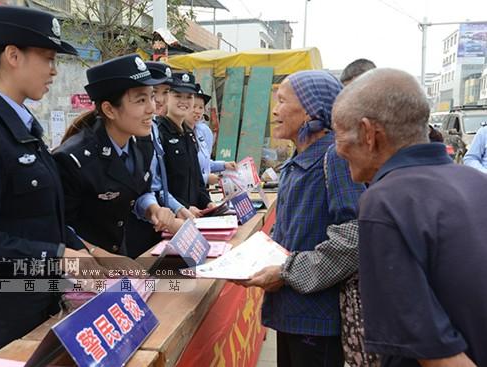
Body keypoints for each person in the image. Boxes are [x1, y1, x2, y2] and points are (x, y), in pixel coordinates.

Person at [0, 5, 103, 356]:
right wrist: (57, 258)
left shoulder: (22, 128)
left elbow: (40, 215)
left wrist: (84, 251)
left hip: (44, 307)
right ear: (13, 55)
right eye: (47, 58)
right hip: (9, 321)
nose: (54, 70)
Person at [332, 68, 487, 366]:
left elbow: (435, 354)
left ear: (368, 133)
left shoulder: (384, 203)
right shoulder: (474, 181)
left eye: (338, 133)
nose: (337, 151)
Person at [237, 71, 365, 367]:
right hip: (293, 310)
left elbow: (355, 235)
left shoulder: (335, 155)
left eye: (282, 101)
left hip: (317, 317)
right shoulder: (300, 157)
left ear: (311, 108)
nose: (274, 110)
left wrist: (286, 272)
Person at [54, 54, 179, 259]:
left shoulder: (141, 143)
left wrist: (152, 209)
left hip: (118, 261)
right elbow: (57, 228)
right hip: (79, 272)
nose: (152, 108)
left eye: (151, 97)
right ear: (109, 110)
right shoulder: (73, 160)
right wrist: (99, 256)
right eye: (140, 100)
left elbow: (139, 190)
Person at [156, 72, 213, 216]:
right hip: (171, 218)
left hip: (193, 216)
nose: (184, 101)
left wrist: (208, 203)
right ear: (167, 98)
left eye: (189, 97)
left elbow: (197, 181)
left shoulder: (189, 133)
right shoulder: (159, 132)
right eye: (178, 96)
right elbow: (158, 187)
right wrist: (184, 207)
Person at [144, 61, 195, 220]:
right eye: (153, 93)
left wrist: (178, 208)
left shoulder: (153, 129)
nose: (159, 99)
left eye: (165, 91)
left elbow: (157, 186)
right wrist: (179, 208)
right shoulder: (156, 130)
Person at [188, 84, 236, 185]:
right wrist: (205, 178)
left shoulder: (202, 132)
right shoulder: (178, 134)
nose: (197, 111)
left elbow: (203, 164)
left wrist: (224, 165)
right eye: (194, 106)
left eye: (201, 107)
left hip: (202, 191)